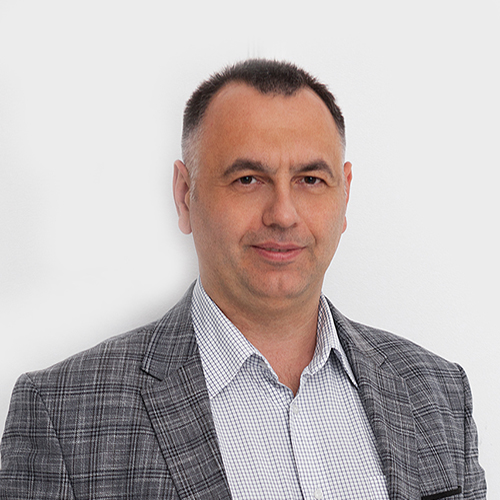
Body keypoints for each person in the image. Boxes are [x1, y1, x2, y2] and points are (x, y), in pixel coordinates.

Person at [0, 59, 486, 500]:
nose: (283, 214)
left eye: (310, 180)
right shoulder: (62, 415)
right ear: (184, 194)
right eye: (248, 179)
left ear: (344, 196)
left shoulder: (438, 393)